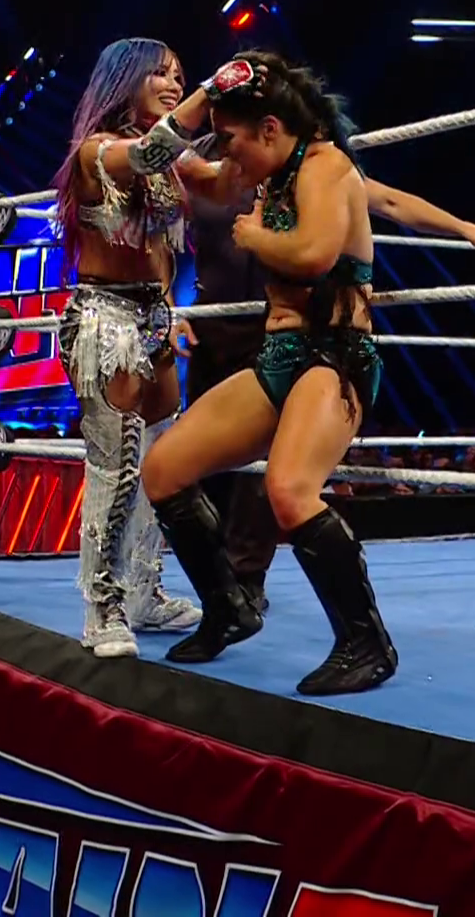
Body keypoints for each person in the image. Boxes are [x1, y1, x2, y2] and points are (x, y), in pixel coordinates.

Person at [136, 50, 434, 695]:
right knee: (164, 470)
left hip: (335, 356)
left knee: (290, 489)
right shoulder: (266, 173)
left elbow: (314, 253)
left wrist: (253, 238)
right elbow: (168, 163)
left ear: (270, 128)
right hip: (278, 357)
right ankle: (228, 607)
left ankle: (367, 643)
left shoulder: (325, 166)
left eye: (234, 138)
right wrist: (197, 103)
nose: (228, 152)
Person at [180, 129, 475, 616]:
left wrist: (465, 228)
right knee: (200, 462)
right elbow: (161, 233)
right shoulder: (201, 166)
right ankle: (215, 585)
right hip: (210, 326)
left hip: (281, 327)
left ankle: (246, 580)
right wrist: (171, 309)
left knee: (270, 465)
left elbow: (389, 201)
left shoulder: (306, 171)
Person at [50, 36, 213, 657]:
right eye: (161, 75)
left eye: (182, 77)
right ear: (127, 80)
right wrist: (210, 94)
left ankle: (143, 590)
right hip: (105, 318)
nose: (174, 84)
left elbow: (214, 186)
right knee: (114, 466)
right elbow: (147, 153)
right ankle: (102, 607)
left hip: (153, 317)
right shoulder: (98, 151)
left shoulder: (171, 165)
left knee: (159, 462)